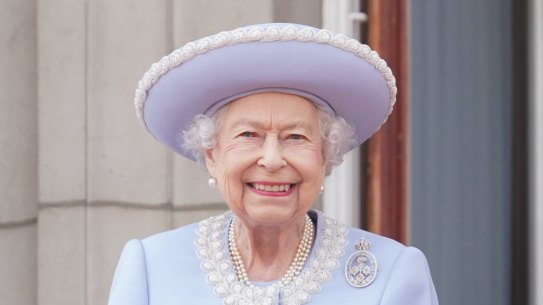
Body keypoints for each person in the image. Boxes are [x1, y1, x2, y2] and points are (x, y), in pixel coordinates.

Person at [108, 23, 439, 305]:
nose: (271, 159)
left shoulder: (390, 273)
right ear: (212, 155)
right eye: (249, 134)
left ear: (325, 156)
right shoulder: (152, 266)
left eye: (295, 137)